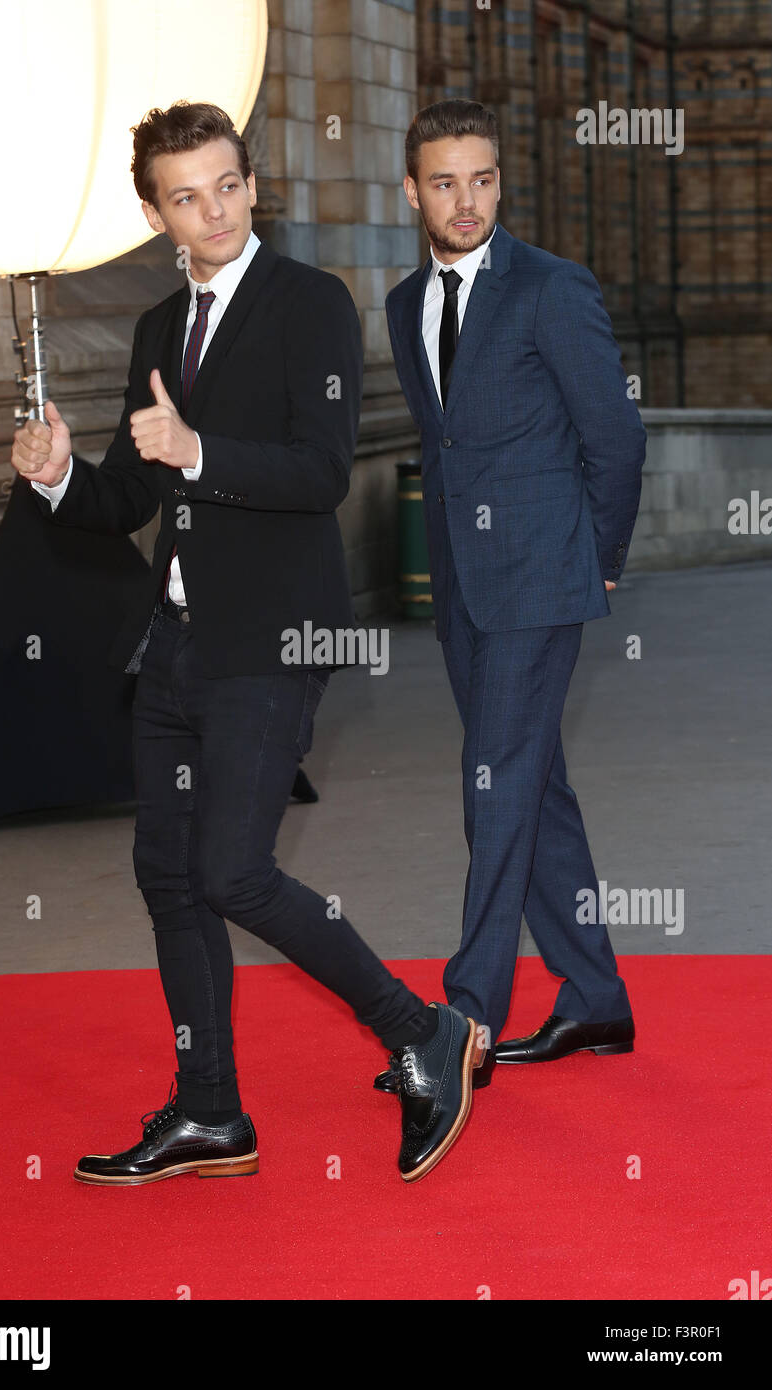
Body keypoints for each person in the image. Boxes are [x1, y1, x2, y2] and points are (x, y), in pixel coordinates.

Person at [10, 101, 484, 1185]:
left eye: (228, 185)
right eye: (187, 196)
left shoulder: (307, 303)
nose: (214, 210)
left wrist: (199, 448)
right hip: (174, 641)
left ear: (251, 183)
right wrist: (58, 478)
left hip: (274, 636)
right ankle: (210, 1109)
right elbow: (135, 487)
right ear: (154, 213)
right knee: (168, 875)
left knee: (232, 868)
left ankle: (422, 1031)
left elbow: (320, 471)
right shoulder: (154, 330)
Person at [375, 99, 644, 1098]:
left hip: (540, 579)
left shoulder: (551, 289)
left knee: (490, 782)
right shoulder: (405, 307)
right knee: (535, 786)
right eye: (445, 182)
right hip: (463, 586)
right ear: (414, 191)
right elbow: (444, 453)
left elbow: (615, 439)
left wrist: (598, 558)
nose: (467, 200)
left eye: (483, 179)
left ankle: (467, 1019)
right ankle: (594, 996)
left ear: (502, 179)